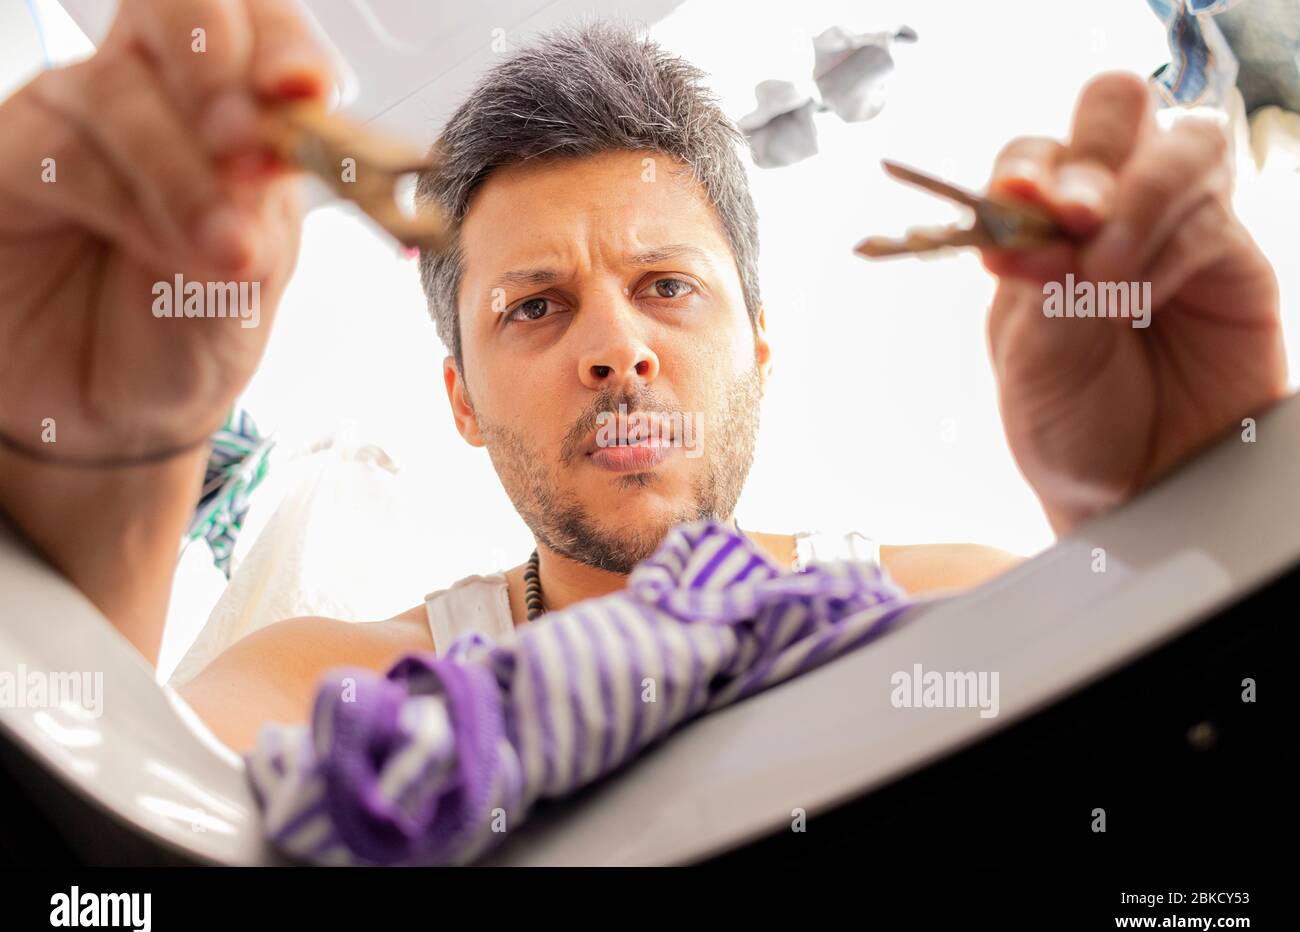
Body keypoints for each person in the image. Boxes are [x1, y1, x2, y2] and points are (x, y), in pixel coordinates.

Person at [0, 2, 1286, 753]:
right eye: (535, 307)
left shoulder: (952, 608)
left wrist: (1204, 543)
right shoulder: (331, 696)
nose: (615, 347)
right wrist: (104, 510)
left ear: (761, 346)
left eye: (667, 286)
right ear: (461, 397)